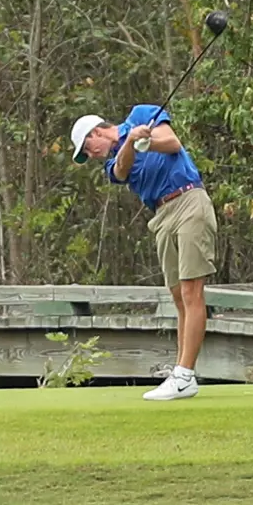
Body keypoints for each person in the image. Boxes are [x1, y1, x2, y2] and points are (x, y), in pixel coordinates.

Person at [69, 103, 217, 401]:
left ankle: (184, 374)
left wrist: (144, 139)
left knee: (191, 292)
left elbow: (172, 143)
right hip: (161, 215)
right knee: (178, 298)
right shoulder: (111, 163)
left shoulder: (140, 114)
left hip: (189, 199)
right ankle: (182, 372)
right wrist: (132, 143)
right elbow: (122, 169)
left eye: (89, 148)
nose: (93, 155)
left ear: (96, 132)